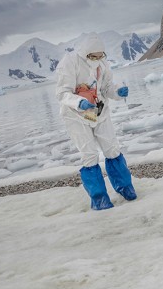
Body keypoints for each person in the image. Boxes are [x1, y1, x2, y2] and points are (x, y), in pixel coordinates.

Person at [55, 34, 137, 210]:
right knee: (90, 154)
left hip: (98, 112)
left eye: (101, 56)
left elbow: (107, 88)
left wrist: (117, 92)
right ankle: (99, 198)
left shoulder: (102, 64)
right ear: (85, 54)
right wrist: (79, 102)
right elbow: (62, 94)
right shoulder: (69, 63)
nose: (97, 59)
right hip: (75, 116)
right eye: (94, 57)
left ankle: (125, 187)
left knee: (112, 148)